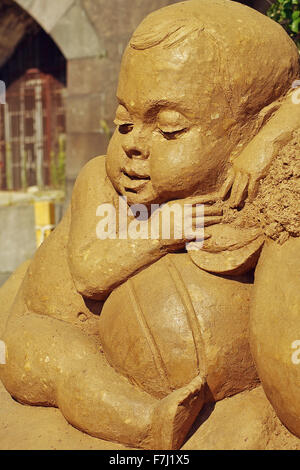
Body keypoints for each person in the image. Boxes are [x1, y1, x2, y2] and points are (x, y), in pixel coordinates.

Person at [0, 0, 299, 449]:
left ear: (250, 130)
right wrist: (162, 231)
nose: (133, 145)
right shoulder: (99, 180)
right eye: (123, 121)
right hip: (47, 329)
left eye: (170, 129)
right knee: (69, 366)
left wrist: (266, 148)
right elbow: (90, 273)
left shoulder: (254, 178)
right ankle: (142, 424)